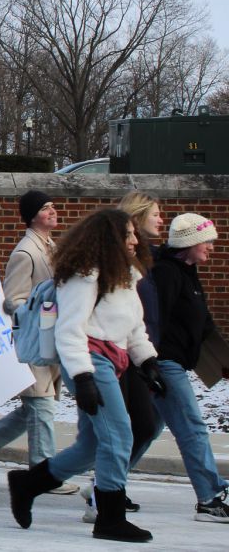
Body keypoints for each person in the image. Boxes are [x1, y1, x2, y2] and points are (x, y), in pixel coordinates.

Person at [8, 208, 166, 543]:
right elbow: (69, 330)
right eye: (128, 235)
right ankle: (109, 518)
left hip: (115, 358)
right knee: (120, 435)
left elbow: (133, 327)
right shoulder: (84, 275)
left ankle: (28, 484)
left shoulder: (124, 275)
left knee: (90, 446)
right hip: (91, 360)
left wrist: (147, 361)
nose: (136, 241)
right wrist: (83, 378)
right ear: (109, 238)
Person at [0, 190, 77, 495]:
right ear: (33, 215)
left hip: (52, 340)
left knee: (33, 410)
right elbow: (12, 301)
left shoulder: (51, 247)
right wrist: (42, 308)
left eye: (53, 205)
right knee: (41, 406)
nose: (53, 211)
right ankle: (43, 471)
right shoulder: (25, 252)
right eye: (46, 207)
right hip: (33, 340)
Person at [149, 213, 228, 523]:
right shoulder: (168, 274)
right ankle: (209, 499)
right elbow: (155, 321)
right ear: (190, 242)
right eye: (207, 241)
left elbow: (203, 322)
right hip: (164, 363)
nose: (211, 247)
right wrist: (151, 365)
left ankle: (105, 486)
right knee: (192, 426)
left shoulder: (188, 270)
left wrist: (222, 360)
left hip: (176, 362)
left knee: (147, 430)